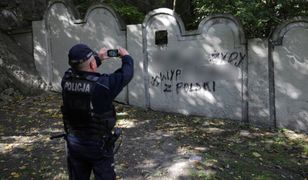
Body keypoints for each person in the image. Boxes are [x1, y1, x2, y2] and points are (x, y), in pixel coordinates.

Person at [61, 43, 134, 180]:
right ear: (93, 65)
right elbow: (126, 74)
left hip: (74, 142)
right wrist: (126, 57)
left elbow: (81, 72)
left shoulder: (66, 80)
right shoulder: (103, 85)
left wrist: (98, 58)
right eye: (94, 62)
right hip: (98, 146)